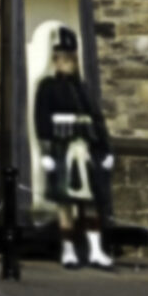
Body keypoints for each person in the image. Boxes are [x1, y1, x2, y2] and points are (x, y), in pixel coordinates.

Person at [34, 26, 116, 270]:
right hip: (62, 149)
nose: (67, 63)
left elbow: (96, 119)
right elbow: (42, 120)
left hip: (86, 151)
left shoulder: (82, 87)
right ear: (55, 59)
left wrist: (106, 149)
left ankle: (95, 250)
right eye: (62, 58)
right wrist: (47, 152)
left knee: (91, 204)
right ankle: (68, 251)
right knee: (65, 205)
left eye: (70, 58)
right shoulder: (47, 87)